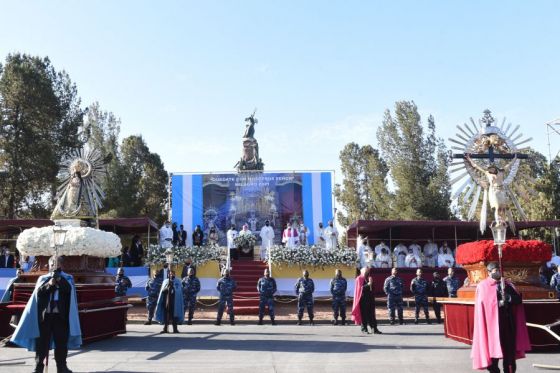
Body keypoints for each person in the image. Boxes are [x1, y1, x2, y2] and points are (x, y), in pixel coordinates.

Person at [11, 256, 81, 373]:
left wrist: (59, 279)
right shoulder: (43, 278)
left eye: (56, 263)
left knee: (61, 343)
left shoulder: (68, 278)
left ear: (61, 265)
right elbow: (39, 293)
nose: (54, 265)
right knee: (42, 344)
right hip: (45, 316)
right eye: (52, 263)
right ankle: (38, 367)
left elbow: (68, 290)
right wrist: (50, 284)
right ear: (48, 265)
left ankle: (61, 366)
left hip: (60, 316)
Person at [471, 262, 531, 372]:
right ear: (488, 272)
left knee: (509, 356)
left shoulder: (507, 284)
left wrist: (509, 298)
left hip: (508, 324)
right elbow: (483, 304)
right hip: (492, 327)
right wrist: (498, 303)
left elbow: (518, 299)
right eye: (495, 270)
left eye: (499, 270)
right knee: (492, 356)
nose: (498, 272)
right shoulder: (483, 286)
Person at [352, 267, 382, 334]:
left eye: (368, 272)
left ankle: (374, 328)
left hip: (370, 299)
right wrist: (368, 285)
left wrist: (371, 283)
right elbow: (360, 289)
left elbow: (373, 288)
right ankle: (364, 329)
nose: (367, 273)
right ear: (362, 272)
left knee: (372, 315)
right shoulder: (359, 278)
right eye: (366, 272)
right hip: (363, 300)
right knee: (364, 315)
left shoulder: (369, 278)